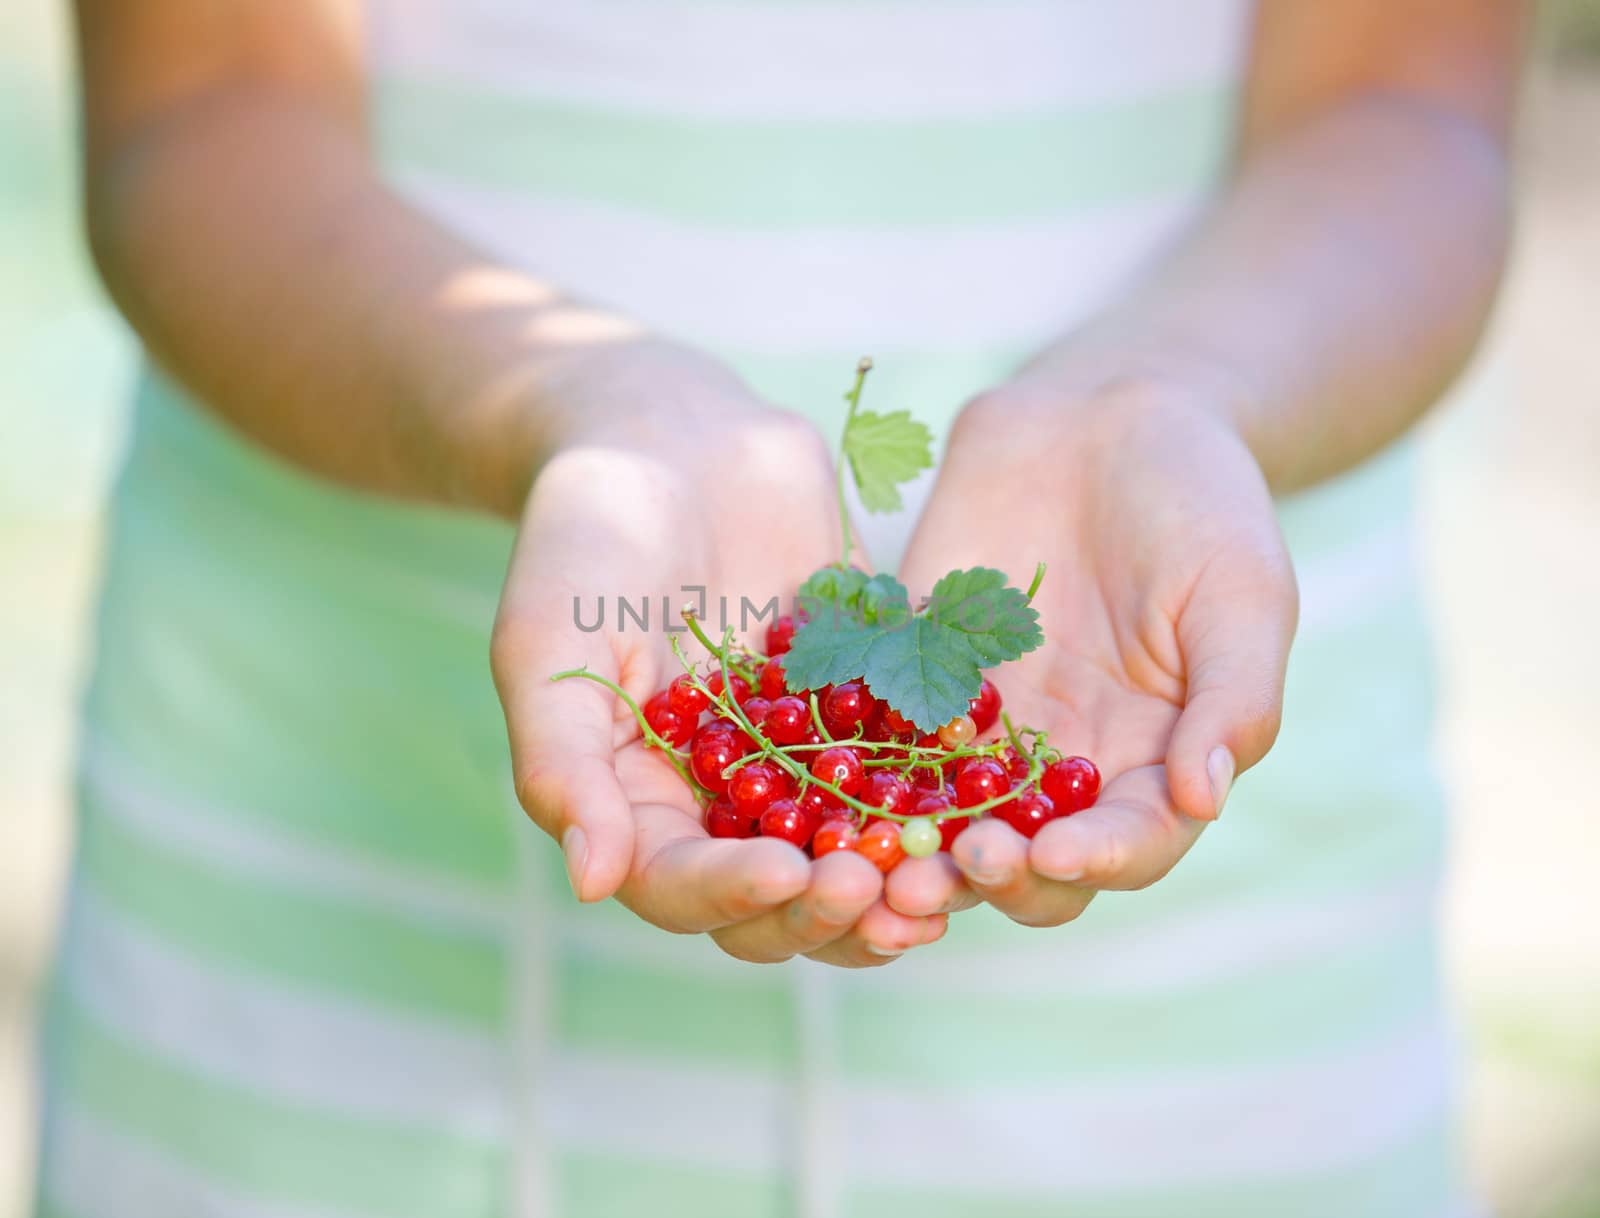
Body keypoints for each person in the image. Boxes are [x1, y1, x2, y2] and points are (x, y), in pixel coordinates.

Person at [40, 1, 1522, 1214]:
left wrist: (1173, 391)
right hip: (307, 952)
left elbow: (1406, 101)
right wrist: (571, 408)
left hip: (1209, 1016)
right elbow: (199, 103)